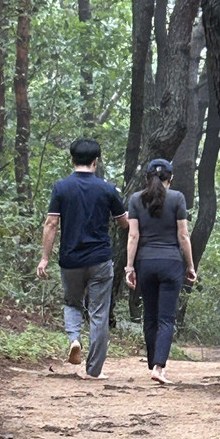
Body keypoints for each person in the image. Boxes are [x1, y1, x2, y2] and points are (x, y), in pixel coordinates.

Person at [37, 138, 128, 380]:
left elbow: (51, 223)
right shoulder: (108, 189)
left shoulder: (61, 187)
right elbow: (124, 221)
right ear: (96, 161)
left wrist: (44, 258)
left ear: (72, 159)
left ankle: (74, 339)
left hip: (70, 259)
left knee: (72, 303)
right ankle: (94, 371)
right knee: (99, 313)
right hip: (99, 259)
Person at [125, 158, 196, 384]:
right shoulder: (177, 198)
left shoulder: (136, 199)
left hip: (145, 263)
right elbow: (183, 235)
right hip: (171, 263)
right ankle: (159, 366)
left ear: (147, 177)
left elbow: (133, 236)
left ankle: (152, 362)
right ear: (170, 177)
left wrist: (129, 267)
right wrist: (191, 265)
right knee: (167, 317)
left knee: (150, 315)